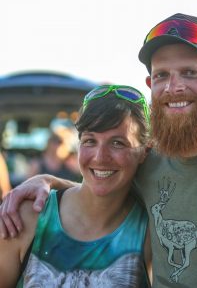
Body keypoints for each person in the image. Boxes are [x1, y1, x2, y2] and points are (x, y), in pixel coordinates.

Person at [0, 13, 197, 287]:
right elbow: (102, 182)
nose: (174, 87)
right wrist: (44, 182)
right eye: (162, 75)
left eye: (190, 73)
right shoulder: (150, 165)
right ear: (150, 84)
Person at [0, 85, 152, 287]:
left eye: (117, 143)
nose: (100, 157)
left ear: (145, 151)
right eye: (90, 141)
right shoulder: (25, 218)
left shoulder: (151, 232)